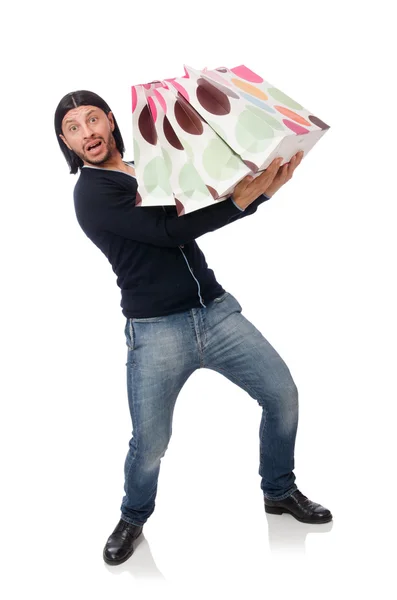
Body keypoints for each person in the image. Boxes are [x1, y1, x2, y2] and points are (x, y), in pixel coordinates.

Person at [55, 89, 332, 566]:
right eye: (74, 128)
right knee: (150, 443)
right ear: (65, 141)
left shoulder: (148, 164)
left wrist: (256, 185)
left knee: (282, 394)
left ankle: (279, 490)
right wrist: (248, 202)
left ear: (110, 122)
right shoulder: (92, 194)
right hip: (156, 330)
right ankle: (133, 516)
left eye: (93, 119)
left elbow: (197, 196)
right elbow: (168, 232)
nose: (88, 133)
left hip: (215, 311)